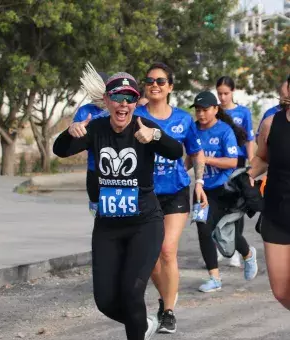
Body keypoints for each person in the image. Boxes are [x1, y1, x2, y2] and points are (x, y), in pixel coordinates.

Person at [53, 72, 184, 340]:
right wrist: (69, 132)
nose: (123, 104)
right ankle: (143, 324)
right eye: (117, 97)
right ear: (106, 99)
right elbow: (60, 150)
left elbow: (175, 151)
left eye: (130, 98)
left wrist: (155, 135)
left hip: (144, 223)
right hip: (108, 226)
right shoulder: (96, 128)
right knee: (105, 301)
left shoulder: (143, 126)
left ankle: (137, 329)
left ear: (136, 102)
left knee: (131, 292)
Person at [134, 62, 207, 334]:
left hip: (176, 191)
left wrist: (197, 181)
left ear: (170, 87)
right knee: (151, 257)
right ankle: (165, 298)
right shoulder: (135, 115)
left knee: (167, 250)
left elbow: (196, 152)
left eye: (161, 81)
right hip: (144, 193)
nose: (155, 85)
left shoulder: (183, 119)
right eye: (150, 80)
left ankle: (168, 312)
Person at [185, 91, 258, 293]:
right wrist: (180, 174)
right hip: (202, 189)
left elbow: (232, 162)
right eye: (198, 110)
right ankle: (214, 278)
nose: (201, 114)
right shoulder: (193, 130)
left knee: (224, 231)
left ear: (215, 109)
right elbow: (189, 159)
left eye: (205, 110)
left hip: (224, 190)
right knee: (203, 228)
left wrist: (205, 159)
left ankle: (247, 254)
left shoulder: (224, 131)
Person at [247, 77, 290, 310]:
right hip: (276, 214)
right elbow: (263, 158)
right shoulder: (271, 123)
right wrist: (246, 176)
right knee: (282, 291)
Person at [216, 76, 255, 267]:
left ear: (233, 92)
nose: (222, 97)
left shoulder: (243, 112)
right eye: (220, 93)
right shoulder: (214, 110)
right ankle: (221, 246)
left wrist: (252, 166)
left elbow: (249, 139)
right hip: (219, 163)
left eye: (226, 93)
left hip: (238, 162)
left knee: (237, 207)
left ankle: (236, 250)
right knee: (220, 205)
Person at [73, 67, 109, 215]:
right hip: (95, 171)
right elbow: (75, 140)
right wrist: (76, 130)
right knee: (98, 214)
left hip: (120, 172)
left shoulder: (120, 108)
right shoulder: (84, 111)